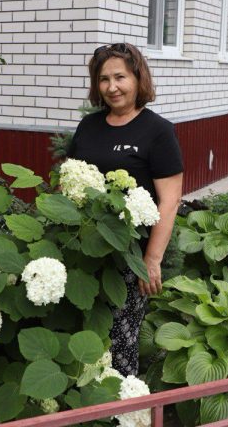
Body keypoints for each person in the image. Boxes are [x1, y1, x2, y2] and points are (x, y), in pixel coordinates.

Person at [66, 42, 184, 376]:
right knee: (80, 334)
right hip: (84, 248)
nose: (112, 87)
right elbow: (71, 183)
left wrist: (152, 260)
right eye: (104, 79)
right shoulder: (88, 127)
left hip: (127, 256)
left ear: (138, 78)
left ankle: (121, 410)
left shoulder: (157, 131)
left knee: (120, 341)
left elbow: (170, 200)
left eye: (120, 77)